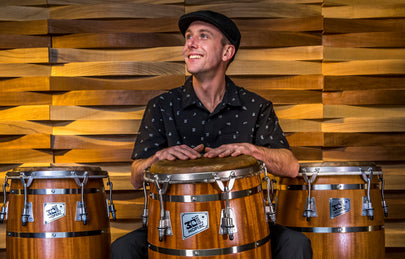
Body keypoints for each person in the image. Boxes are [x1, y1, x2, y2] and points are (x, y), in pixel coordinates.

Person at [111, 10, 312, 259]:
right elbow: (135, 177)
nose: (190, 45)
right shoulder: (162, 106)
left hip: (244, 223)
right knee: (123, 249)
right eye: (188, 37)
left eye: (203, 36)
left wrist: (252, 150)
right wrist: (157, 158)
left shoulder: (255, 106)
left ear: (227, 52)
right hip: (173, 224)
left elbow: (291, 167)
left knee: (296, 244)